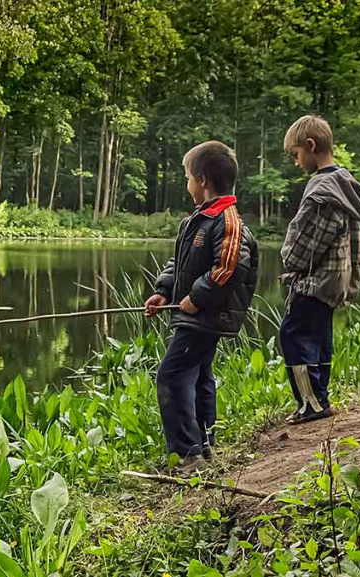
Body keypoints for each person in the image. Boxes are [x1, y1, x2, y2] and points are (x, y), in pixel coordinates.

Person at [145, 140, 258, 473]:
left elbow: (230, 267)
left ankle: (187, 454)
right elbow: (180, 262)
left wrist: (196, 298)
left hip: (206, 316)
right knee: (198, 376)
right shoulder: (199, 219)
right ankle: (204, 446)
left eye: (188, 177)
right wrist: (164, 290)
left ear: (203, 180)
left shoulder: (227, 220)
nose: (187, 184)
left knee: (172, 375)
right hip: (193, 315)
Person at [279, 115, 360, 425]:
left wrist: (288, 260)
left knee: (293, 335)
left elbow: (305, 247)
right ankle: (320, 396)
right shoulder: (344, 183)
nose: (296, 163)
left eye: (296, 154)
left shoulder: (323, 192)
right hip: (335, 280)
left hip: (314, 282)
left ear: (311, 146)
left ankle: (311, 403)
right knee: (318, 336)